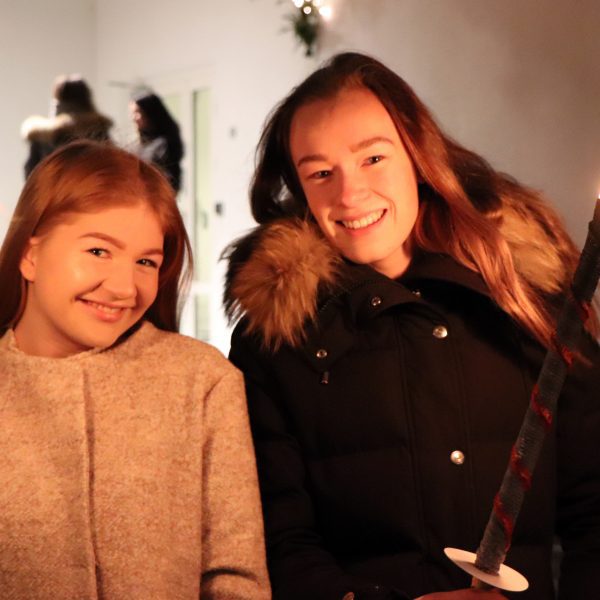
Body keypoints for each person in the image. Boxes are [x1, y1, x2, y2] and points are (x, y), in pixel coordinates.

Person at [223, 52, 600, 600]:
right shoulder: (276, 342)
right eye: (321, 173)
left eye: (373, 158)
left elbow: (594, 512)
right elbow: (280, 545)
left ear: (418, 157)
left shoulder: (526, 300)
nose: (349, 194)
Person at [0, 141, 270, 599]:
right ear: (30, 255)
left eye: (146, 262)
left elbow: (236, 577)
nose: (125, 287)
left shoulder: (202, 380)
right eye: (99, 251)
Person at [21, 74, 113, 178]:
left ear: (57, 103)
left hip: (55, 188)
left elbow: (31, 174)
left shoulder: (43, 136)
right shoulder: (99, 132)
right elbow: (112, 171)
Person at [130, 91, 184, 192]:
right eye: (133, 113)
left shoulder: (163, 144)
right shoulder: (142, 143)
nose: (134, 118)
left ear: (150, 113)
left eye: (138, 112)